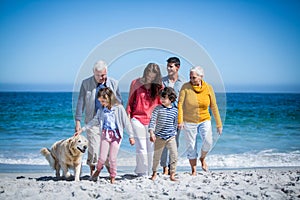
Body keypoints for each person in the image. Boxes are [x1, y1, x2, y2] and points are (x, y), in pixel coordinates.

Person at [75, 87, 135, 184]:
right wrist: (82, 129)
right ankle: (98, 170)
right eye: (100, 101)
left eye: (103, 101)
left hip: (116, 136)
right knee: (102, 158)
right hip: (105, 135)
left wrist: (131, 136)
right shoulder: (101, 110)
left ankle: (112, 177)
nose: (102, 103)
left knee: (112, 158)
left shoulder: (119, 108)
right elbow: (94, 121)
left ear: (109, 98)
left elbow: (126, 123)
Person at [74, 60, 122, 176]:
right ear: (93, 73)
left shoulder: (114, 83)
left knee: (106, 149)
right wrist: (78, 122)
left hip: (109, 123)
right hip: (92, 120)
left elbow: (120, 102)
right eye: (99, 75)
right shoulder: (86, 83)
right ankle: (93, 170)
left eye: (104, 75)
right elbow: (81, 102)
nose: (102, 77)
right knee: (94, 147)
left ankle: (107, 170)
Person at [177, 66, 222, 175]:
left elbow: (214, 106)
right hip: (189, 121)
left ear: (201, 77)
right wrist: (180, 121)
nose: (191, 80)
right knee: (191, 146)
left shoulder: (208, 88)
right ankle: (194, 170)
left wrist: (219, 124)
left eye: (194, 77)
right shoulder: (185, 87)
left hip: (204, 119)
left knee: (208, 142)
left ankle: (202, 158)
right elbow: (180, 104)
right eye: (190, 77)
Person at [126, 63, 163, 176]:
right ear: (145, 73)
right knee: (141, 147)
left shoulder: (159, 87)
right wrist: (128, 120)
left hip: (153, 121)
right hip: (137, 119)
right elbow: (130, 103)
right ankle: (142, 173)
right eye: (148, 76)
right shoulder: (135, 83)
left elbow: (162, 105)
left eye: (152, 78)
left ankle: (151, 171)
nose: (150, 79)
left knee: (151, 148)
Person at [160, 57, 184, 175]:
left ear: (177, 67)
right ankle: (164, 167)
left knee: (175, 142)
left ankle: (171, 166)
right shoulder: (162, 81)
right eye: (168, 66)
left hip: (177, 116)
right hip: (164, 115)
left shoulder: (183, 83)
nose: (168, 68)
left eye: (171, 66)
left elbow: (184, 102)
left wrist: (182, 120)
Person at [149, 87, 178, 181]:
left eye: (164, 98)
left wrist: (174, 132)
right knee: (156, 156)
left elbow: (175, 123)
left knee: (174, 155)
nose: (162, 100)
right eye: (161, 98)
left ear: (171, 99)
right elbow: (152, 121)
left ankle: (172, 174)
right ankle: (154, 173)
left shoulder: (175, 110)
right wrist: (151, 132)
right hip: (159, 137)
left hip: (171, 137)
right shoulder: (158, 109)